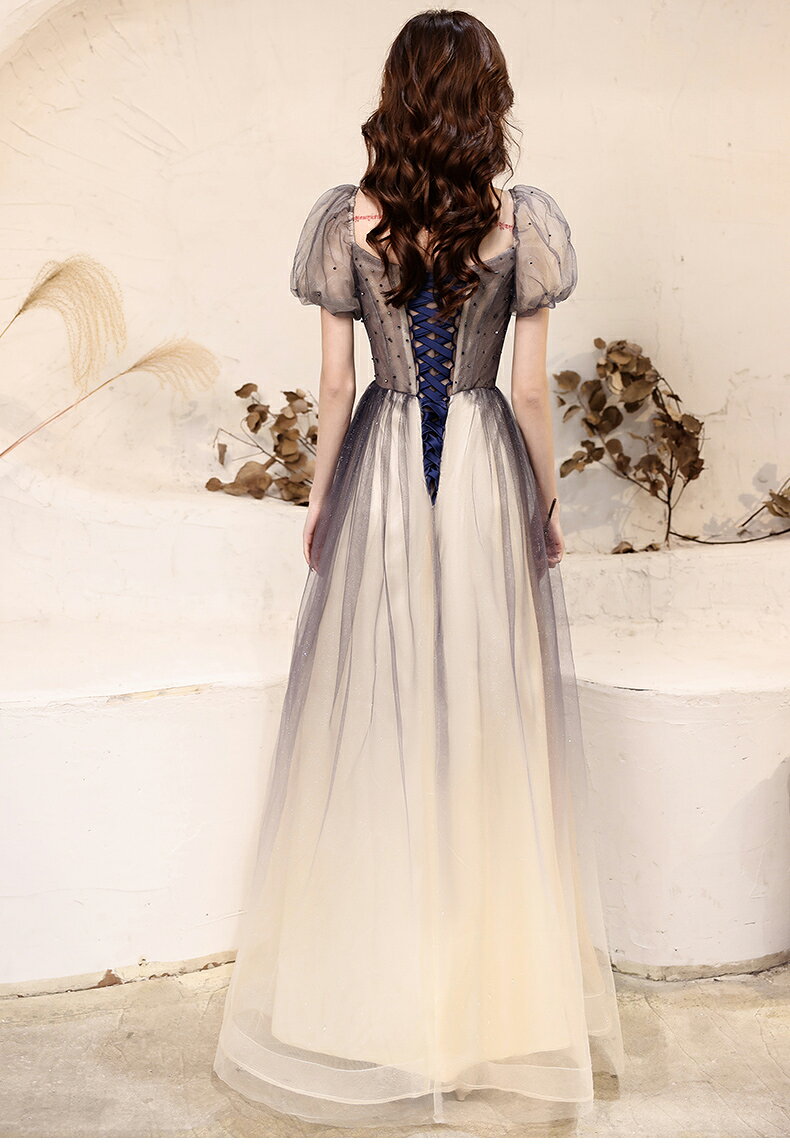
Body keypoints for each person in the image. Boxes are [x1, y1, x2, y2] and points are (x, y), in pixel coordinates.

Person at [213, 8, 624, 1130]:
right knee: (486, 721)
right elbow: (527, 392)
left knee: (389, 719)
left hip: (389, 472)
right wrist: (544, 503)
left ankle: (376, 1006)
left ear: (395, 99)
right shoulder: (521, 223)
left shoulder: (346, 221)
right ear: (488, 101)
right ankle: (492, 1011)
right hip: (482, 471)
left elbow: (336, 387)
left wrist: (321, 499)